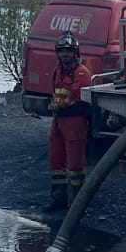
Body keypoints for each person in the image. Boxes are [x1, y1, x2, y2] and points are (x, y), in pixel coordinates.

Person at [45, 32, 94, 211]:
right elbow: (56, 92)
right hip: (59, 122)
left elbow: (75, 96)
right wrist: (54, 106)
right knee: (56, 161)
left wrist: (58, 106)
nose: (65, 54)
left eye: (68, 51)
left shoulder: (82, 72)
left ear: (75, 52)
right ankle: (58, 199)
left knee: (75, 165)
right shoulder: (58, 70)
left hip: (75, 122)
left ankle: (77, 204)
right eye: (62, 51)